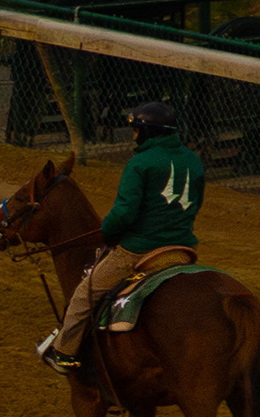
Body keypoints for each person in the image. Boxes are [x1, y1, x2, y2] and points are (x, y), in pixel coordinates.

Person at [42, 100, 207, 373]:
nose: (133, 136)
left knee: (84, 294)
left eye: (136, 130)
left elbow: (124, 214)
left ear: (147, 132)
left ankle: (64, 353)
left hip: (140, 249)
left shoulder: (140, 164)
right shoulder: (194, 161)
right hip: (181, 248)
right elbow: (196, 204)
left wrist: (107, 233)